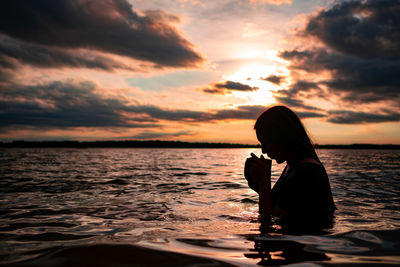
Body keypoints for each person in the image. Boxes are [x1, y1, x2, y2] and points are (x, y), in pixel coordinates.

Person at [244, 105, 336, 231]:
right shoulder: (292, 167)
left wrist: (264, 184)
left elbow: (268, 219)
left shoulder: (307, 171)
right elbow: (281, 206)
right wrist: (260, 187)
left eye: (266, 143)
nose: (264, 150)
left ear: (282, 137)